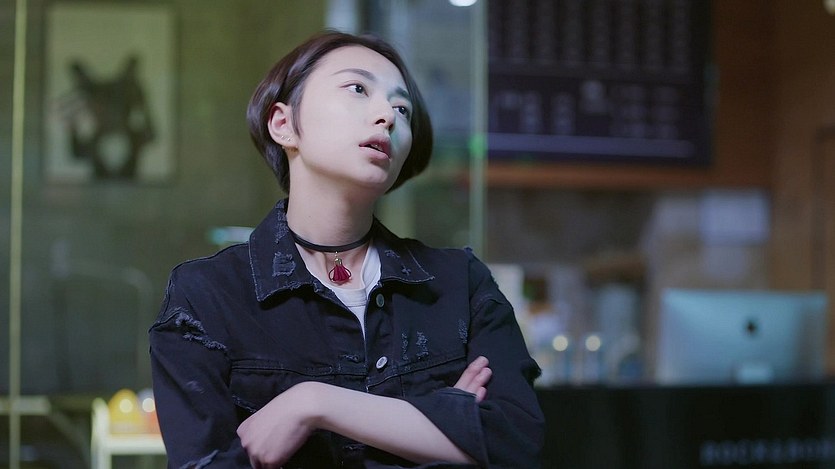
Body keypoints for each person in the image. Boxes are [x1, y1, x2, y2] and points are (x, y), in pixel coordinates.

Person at [149, 30, 544, 469]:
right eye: (357, 88)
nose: (387, 116)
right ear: (283, 124)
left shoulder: (460, 284)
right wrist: (444, 426)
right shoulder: (208, 296)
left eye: (402, 109)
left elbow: (516, 446)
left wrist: (312, 404)